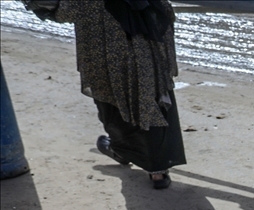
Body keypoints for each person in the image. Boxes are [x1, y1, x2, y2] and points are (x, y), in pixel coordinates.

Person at [29, 0, 186, 189]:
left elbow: (65, 11)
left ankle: (122, 151)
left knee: (115, 103)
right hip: (152, 42)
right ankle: (158, 172)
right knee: (153, 100)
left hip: (109, 48)